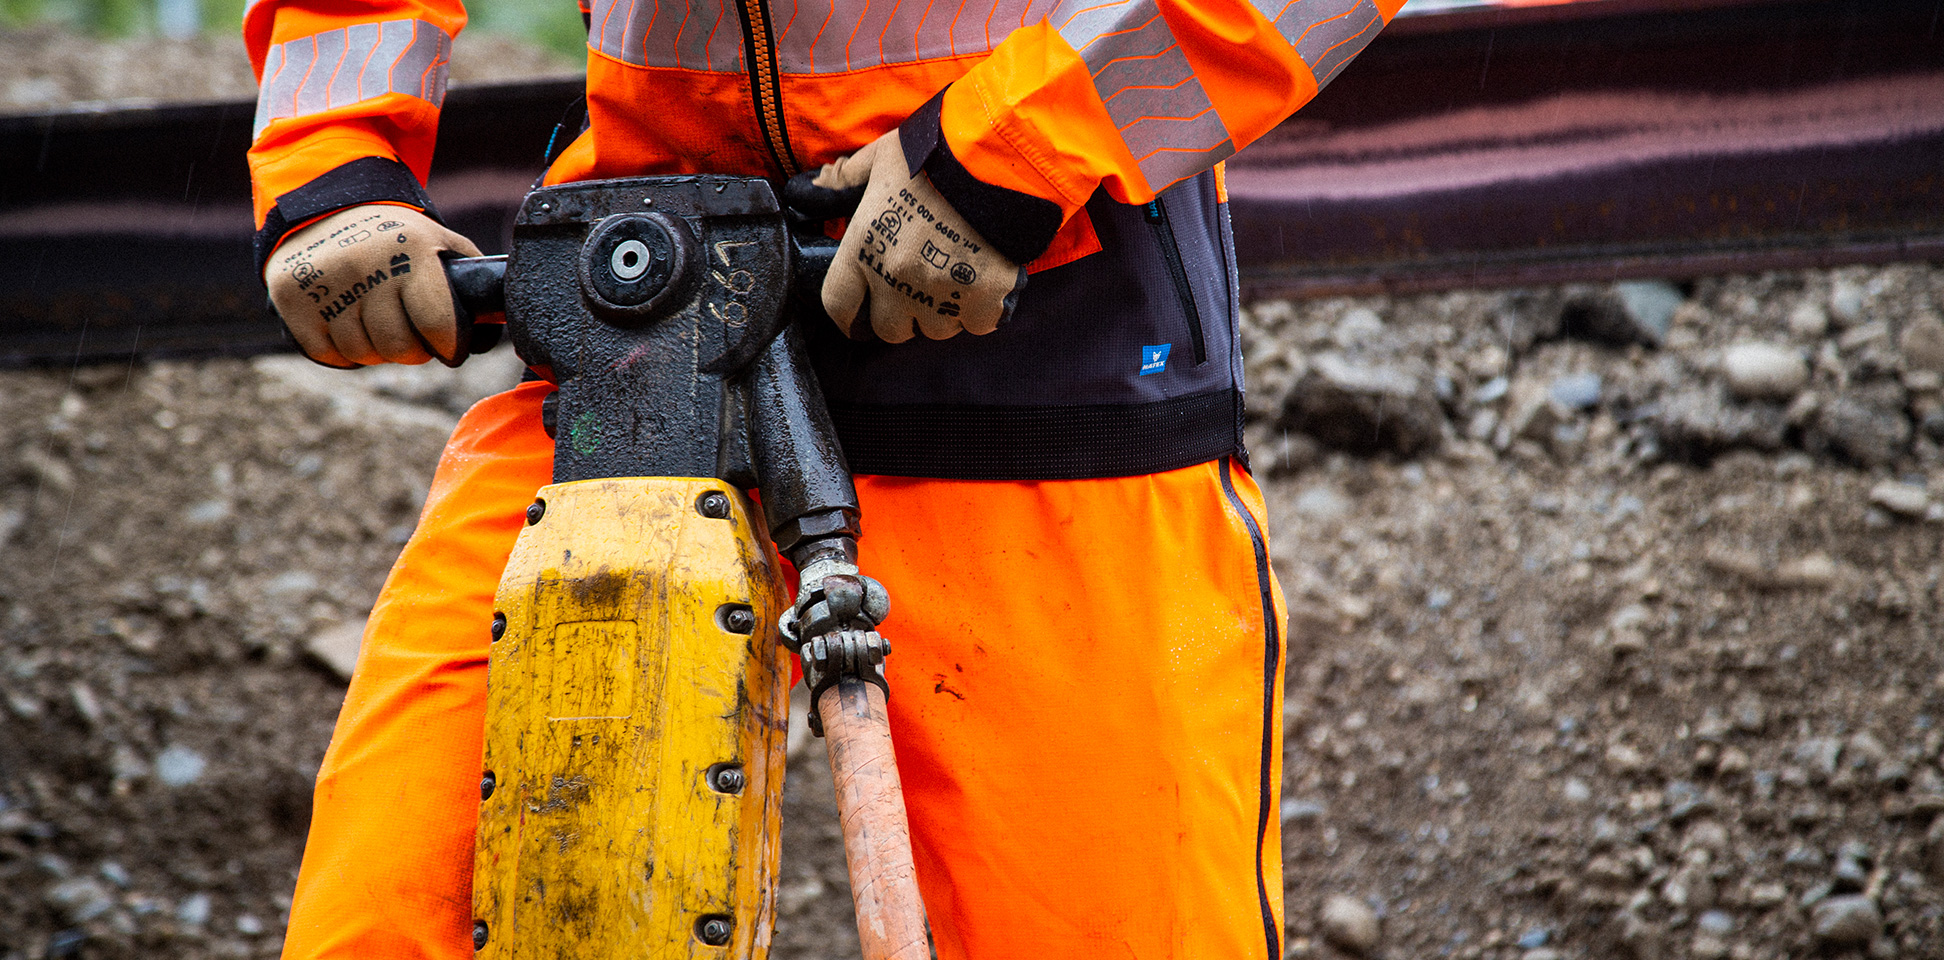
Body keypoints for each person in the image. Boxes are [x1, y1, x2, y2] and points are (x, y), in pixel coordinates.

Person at [246, 0, 1403, 955]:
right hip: (645, 311)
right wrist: (334, 160)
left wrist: (1009, 155)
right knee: (393, 916)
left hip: (1053, 348)